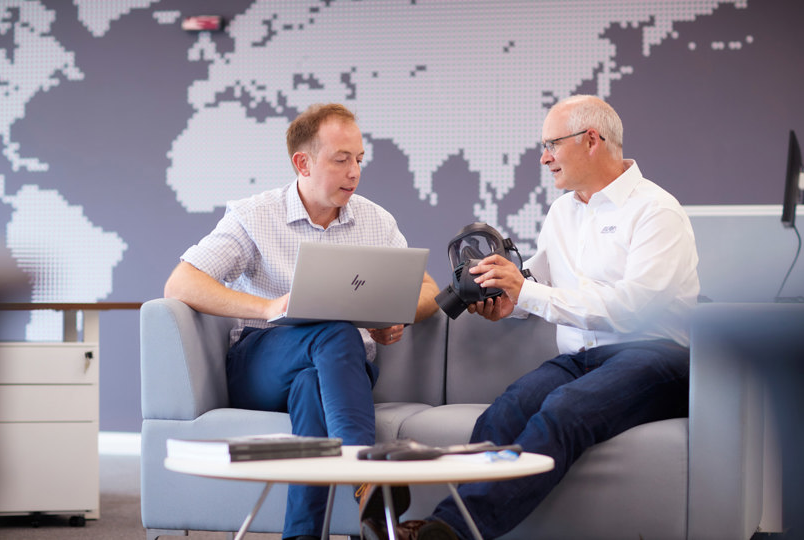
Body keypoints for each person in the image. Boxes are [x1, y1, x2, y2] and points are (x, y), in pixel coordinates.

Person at [359, 94, 700, 540]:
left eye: (552, 144)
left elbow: (635, 308)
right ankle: (447, 526)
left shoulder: (657, 211)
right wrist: (506, 300)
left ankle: (449, 532)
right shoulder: (564, 211)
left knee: (566, 409)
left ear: (591, 139)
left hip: (656, 355)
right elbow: (538, 284)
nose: (544, 157)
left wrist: (529, 292)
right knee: (503, 413)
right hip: (583, 358)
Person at [164, 103, 439, 540]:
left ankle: (302, 536)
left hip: (338, 370)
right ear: (302, 162)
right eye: (341, 159)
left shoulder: (375, 220)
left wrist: (395, 311)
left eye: (359, 159)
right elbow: (181, 283)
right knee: (335, 329)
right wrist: (268, 307)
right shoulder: (255, 215)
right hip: (260, 364)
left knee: (315, 381)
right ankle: (364, 468)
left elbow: (428, 290)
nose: (354, 172)